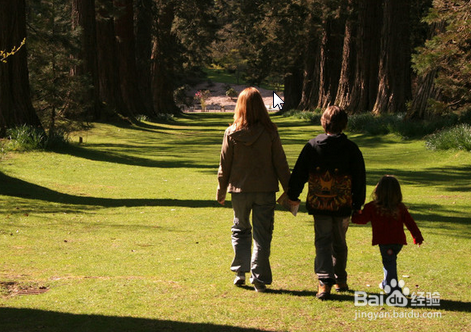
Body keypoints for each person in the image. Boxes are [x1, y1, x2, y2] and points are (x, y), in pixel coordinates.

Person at [287, 105, 366, 300]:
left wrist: (293, 194)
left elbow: (299, 173)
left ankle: (324, 281)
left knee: (323, 241)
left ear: (324, 123)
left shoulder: (312, 146)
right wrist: (358, 204)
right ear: (344, 124)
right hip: (343, 204)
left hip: (319, 203)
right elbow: (359, 178)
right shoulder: (351, 149)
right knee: (339, 241)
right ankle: (340, 279)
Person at [217, 87, 291, 292]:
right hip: (265, 189)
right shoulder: (270, 132)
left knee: (240, 229)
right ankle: (259, 278)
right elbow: (280, 163)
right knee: (262, 234)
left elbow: (225, 165)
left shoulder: (231, 133)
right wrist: (289, 188)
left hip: (239, 190)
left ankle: (240, 271)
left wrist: (221, 189)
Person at [352, 175, 424, 293]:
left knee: (389, 262)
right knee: (389, 261)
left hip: (385, 242)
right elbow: (410, 223)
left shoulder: (373, 207)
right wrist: (417, 237)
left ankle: (393, 288)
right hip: (398, 241)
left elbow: (361, 220)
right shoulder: (400, 207)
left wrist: (355, 214)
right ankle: (386, 283)